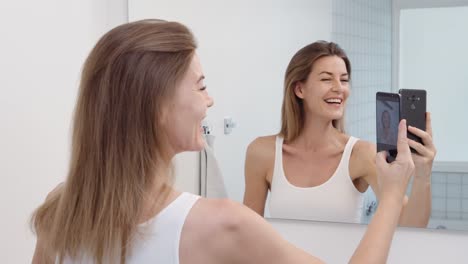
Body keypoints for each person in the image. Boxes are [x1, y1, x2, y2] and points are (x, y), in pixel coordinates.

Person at [32, 19, 415, 264]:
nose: (209, 100)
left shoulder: (61, 211)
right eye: (200, 86)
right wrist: (393, 194)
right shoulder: (220, 224)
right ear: (158, 105)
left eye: (343, 78)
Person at [243, 41, 436, 227]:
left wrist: (423, 174)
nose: (339, 88)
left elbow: (410, 225)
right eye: (327, 79)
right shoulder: (262, 152)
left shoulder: (361, 154)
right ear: (299, 89)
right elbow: (247, 231)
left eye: (344, 80)